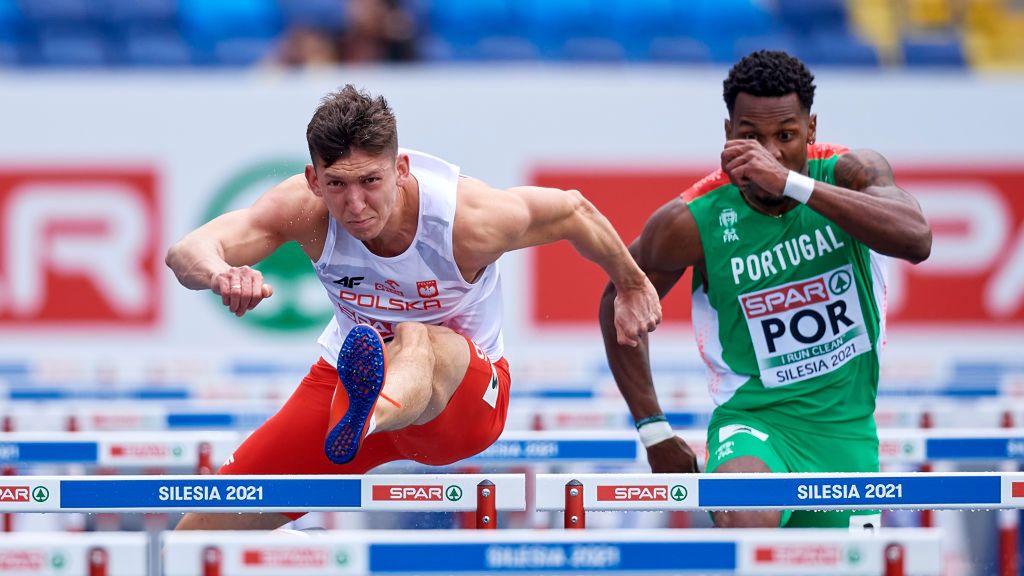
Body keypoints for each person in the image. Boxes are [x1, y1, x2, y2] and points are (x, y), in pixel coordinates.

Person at [166, 84, 661, 530]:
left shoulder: (468, 220)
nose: (355, 205)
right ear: (314, 180)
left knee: (416, 334)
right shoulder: (302, 208)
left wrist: (633, 285)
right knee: (193, 539)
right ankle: (363, 413)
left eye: (370, 182)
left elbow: (575, 211)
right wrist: (220, 273)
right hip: (347, 386)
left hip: (462, 405)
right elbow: (186, 252)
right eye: (337, 184)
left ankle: (369, 413)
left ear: (400, 170)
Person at [599, 50, 932, 529]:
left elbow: (916, 239)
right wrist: (654, 430)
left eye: (786, 136)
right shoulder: (692, 219)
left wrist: (792, 184)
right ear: (728, 132)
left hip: (846, 433)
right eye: (750, 136)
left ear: (811, 130)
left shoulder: (850, 172)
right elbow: (618, 297)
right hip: (754, 423)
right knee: (747, 507)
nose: (768, 153)